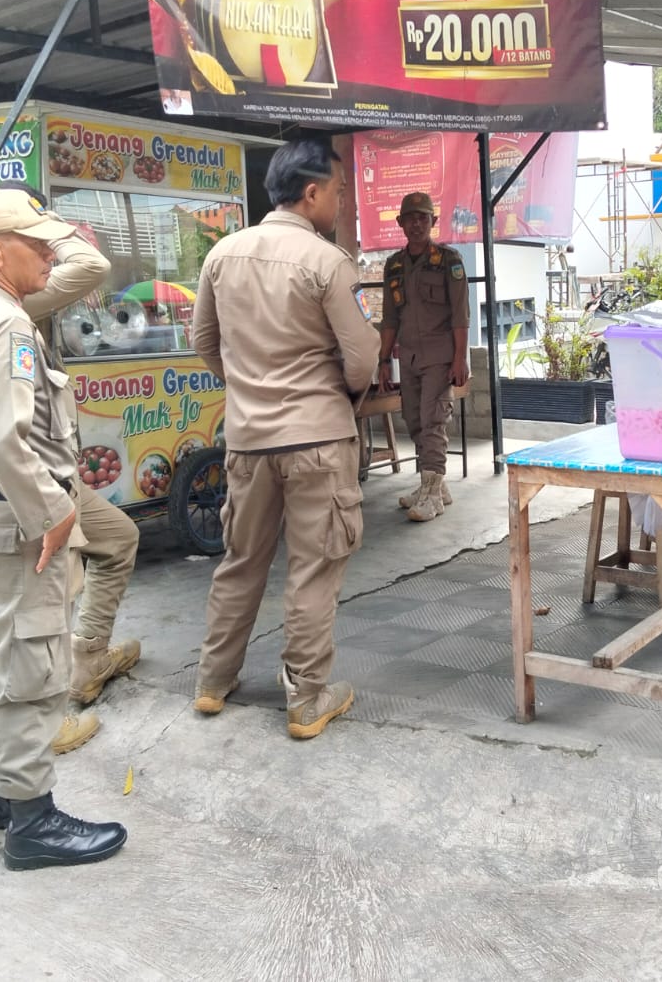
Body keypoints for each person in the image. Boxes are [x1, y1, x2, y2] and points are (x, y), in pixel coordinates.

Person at [0, 188, 126, 871]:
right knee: (33, 670)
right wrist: (55, 511)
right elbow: (2, 437)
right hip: (15, 524)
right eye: (36, 244)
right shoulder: (7, 324)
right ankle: (30, 819)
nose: (50, 254)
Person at [189, 137, 379, 740]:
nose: (342, 202)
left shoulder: (222, 254)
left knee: (240, 562)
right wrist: (340, 397)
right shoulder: (328, 261)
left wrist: (245, 388)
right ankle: (305, 698)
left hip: (247, 441)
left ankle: (213, 682)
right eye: (340, 191)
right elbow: (362, 356)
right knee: (314, 568)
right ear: (313, 191)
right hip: (318, 438)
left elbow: (203, 342)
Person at [377, 192, 470, 523]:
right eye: (410, 218)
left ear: (433, 221)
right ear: (400, 223)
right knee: (414, 420)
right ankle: (433, 485)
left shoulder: (449, 261)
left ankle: (432, 494)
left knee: (432, 421)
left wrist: (460, 359)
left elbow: (461, 316)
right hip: (411, 357)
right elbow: (390, 319)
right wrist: (384, 360)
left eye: (423, 217)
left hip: (441, 356)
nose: (416, 223)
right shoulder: (395, 266)